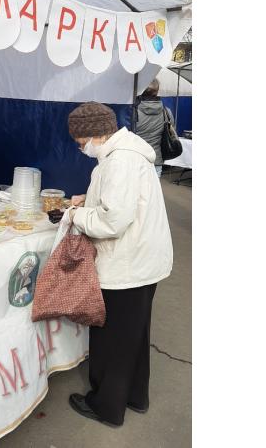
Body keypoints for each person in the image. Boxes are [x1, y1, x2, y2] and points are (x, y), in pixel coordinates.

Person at [64, 102, 173, 428]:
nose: (79, 146)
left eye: (80, 140)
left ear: (95, 133)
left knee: (111, 338)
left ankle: (106, 406)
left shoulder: (119, 161)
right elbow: (125, 202)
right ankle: (135, 396)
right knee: (134, 335)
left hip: (128, 263)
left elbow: (113, 220)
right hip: (144, 261)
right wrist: (91, 199)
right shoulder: (127, 154)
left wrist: (74, 214)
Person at [134, 79, 175, 177]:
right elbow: (171, 131)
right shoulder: (166, 111)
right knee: (154, 192)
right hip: (155, 160)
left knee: (133, 192)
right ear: (157, 91)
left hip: (135, 160)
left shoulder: (131, 112)